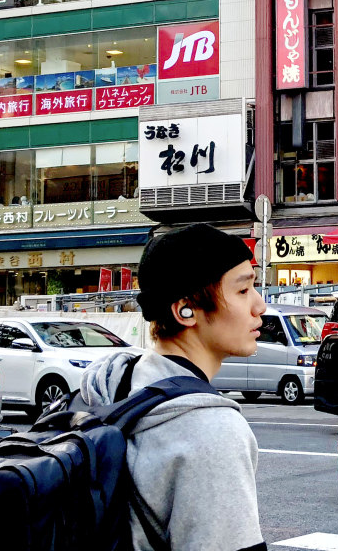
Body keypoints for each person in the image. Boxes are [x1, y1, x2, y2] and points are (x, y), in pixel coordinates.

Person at [80, 223, 267, 551]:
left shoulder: (112, 386)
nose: (259, 305)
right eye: (242, 290)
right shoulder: (212, 431)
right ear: (185, 310)